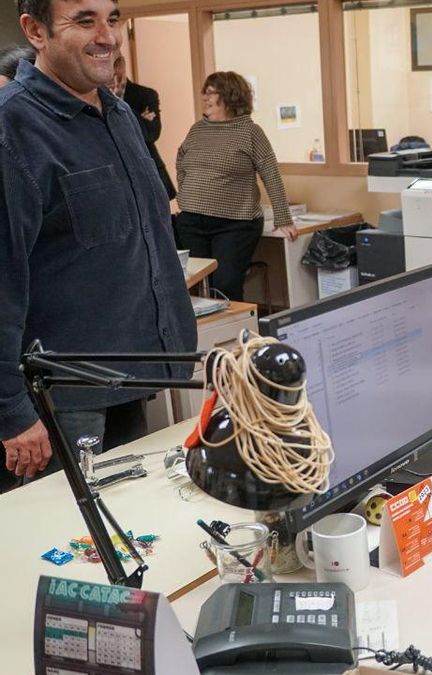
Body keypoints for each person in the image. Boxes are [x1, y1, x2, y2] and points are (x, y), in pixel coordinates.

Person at [1, 0, 197, 486]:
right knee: (60, 550)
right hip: (58, 404)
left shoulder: (119, 115)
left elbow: (146, 242)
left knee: (132, 538)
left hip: (131, 379)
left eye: (113, 19)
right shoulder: (12, 129)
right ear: (36, 31)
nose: (107, 36)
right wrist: (11, 411)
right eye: (84, 21)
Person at [175, 71, 297, 302]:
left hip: (234, 224)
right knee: (197, 286)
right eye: (205, 92)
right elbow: (181, 161)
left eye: (212, 93)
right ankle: (205, 337)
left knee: (225, 284)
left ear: (230, 96)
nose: (205, 98)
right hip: (191, 221)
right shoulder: (197, 130)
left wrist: (283, 218)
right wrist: (188, 194)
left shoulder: (250, 132)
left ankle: (232, 336)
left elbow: (270, 173)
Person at [109, 54, 175, 199]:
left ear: (121, 70)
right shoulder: (94, 99)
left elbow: (151, 133)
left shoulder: (145, 95)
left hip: (148, 173)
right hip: (117, 177)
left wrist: (118, 103)